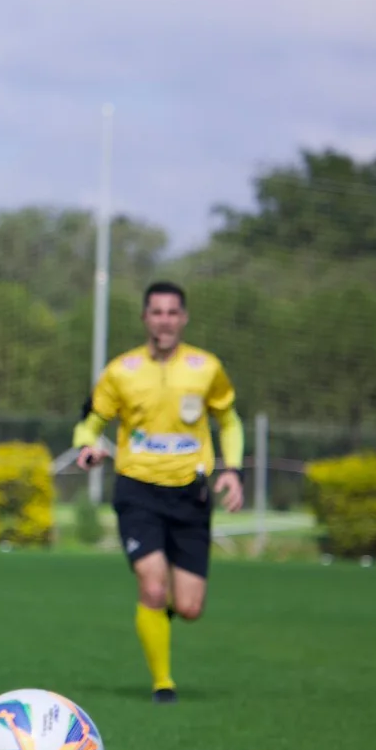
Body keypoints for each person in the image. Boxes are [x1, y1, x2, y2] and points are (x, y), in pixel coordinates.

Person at [73, 281, 243, 703]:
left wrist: (233, 470)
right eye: (156, 312)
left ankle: (160, 615)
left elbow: (231, 421)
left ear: (183, 318)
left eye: (172, 312)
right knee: (151, 586)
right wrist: (86, 446)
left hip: (190, 494)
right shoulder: (121, 371)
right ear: (145, 318)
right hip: (138, 491)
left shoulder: (206, 368)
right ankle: (162, 682)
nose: (164, 320)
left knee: (188, 607)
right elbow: (91, 422)